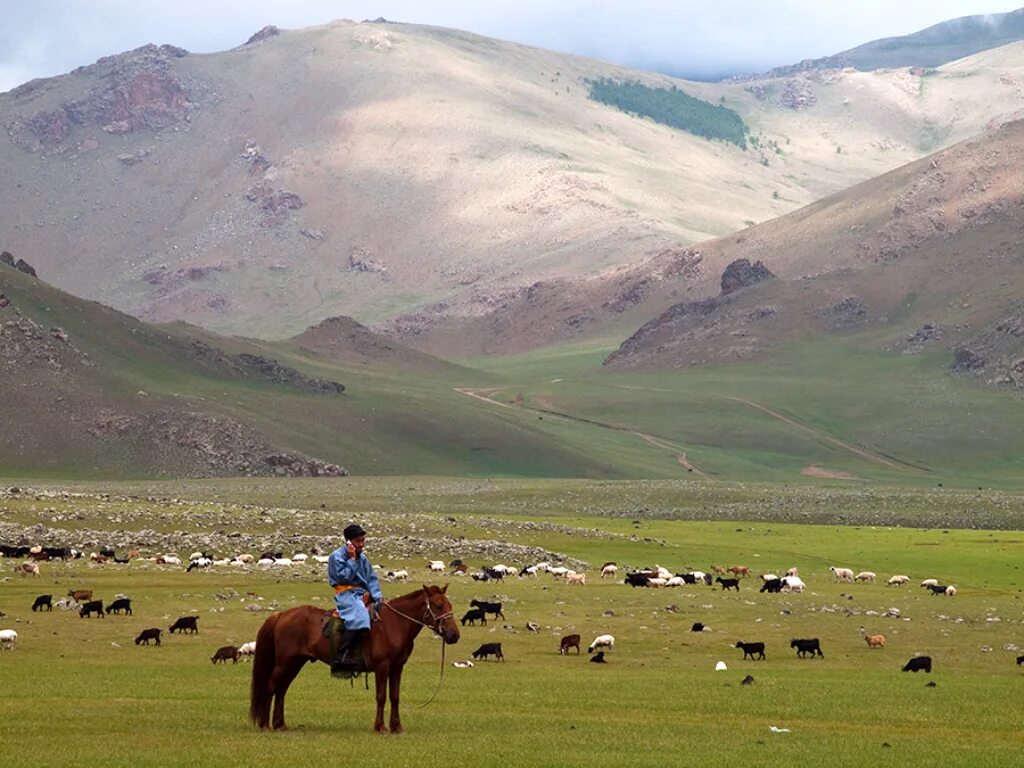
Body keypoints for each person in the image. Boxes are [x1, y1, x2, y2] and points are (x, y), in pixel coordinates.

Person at [327, 523, 382, 672]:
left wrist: (377, 597)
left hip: (362, 594)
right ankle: (342, 653)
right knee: (360, 615)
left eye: (363, 541)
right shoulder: (336, 557)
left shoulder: (363, 558)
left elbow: (371, 578)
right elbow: (343, 577)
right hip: (346, 594)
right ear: (348, 542)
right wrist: (351, 560)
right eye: (358, 541)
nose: (362, 544)